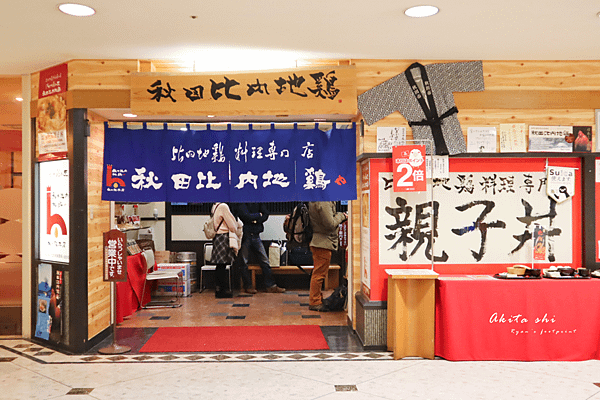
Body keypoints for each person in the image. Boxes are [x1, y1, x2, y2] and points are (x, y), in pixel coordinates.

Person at [234, 203, 285, 294]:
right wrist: (258, 216)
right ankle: (248, 286)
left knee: (265, 260)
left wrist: (255, 220)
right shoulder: (241, 199)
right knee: (243, 262)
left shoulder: (258, 200)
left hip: (256, 235)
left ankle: (270, 286)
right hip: (245, 235)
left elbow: (266, 214)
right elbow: (245, 216)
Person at [307, 201, 347, 312]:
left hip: (319, 241)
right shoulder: (323, 201)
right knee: (319, 274)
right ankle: (315, 301)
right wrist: (342, 215)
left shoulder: (316, 198)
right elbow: (330, 224)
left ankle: (317, 298)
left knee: (318, 273)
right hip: (322, 242)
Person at [210, 202, 239, 298]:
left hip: (217, 237)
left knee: (219, 265)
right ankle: (222, 291)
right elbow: (233, 226)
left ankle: (218, 289)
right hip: (224, 237)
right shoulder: (223, 206)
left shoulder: (215, 206)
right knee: (222, 265)